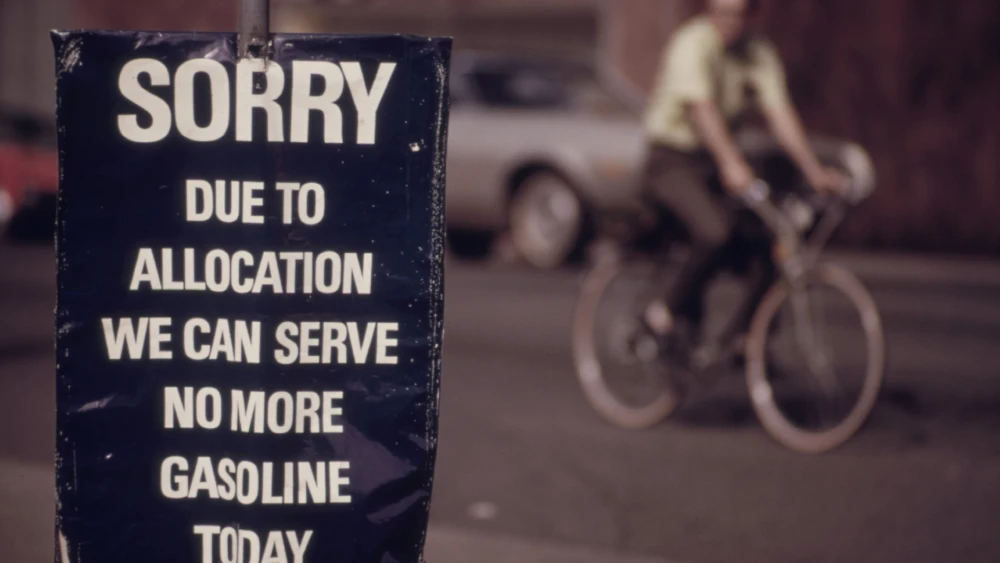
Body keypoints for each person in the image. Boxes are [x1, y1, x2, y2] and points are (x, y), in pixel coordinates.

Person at [640, 0, 844, 363]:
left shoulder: (757, 51)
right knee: (713, 231)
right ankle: (663, 313)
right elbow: (701, 109)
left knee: (770, 245)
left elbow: (779, 111)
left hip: (714, 163)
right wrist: (731, 162)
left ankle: (742, 340)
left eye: (736, 14)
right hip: (671, 159)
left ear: (752, 15)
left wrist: (813, 170)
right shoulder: (692, 43)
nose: (727, 22)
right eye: (719, 12)